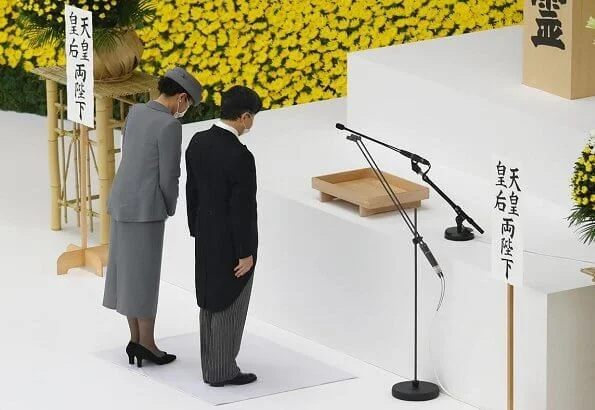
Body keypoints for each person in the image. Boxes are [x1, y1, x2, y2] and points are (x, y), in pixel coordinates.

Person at [103, 67, 202, 368]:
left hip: (121, 200)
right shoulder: (169, 126)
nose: (185, 109)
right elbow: (169, 174)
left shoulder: (135, 113)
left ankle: (136, 339)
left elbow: (130, 155)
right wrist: (169, 206)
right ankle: (147, 343)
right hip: (147, 208)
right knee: (144, 276)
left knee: (128, 273)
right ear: (182, 98)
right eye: (188, 104)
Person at [185, 86, 261, 387]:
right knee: (230, 302)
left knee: (208, 299)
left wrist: (196, 229)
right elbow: (241, 210)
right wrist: (245, 252)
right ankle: (222, 370)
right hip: (232, 243)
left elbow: (192, 192)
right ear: (243, 117)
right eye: (251, 118)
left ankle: (212, 366)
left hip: (205, 235)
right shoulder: (241, 156)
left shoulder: (198, 141)